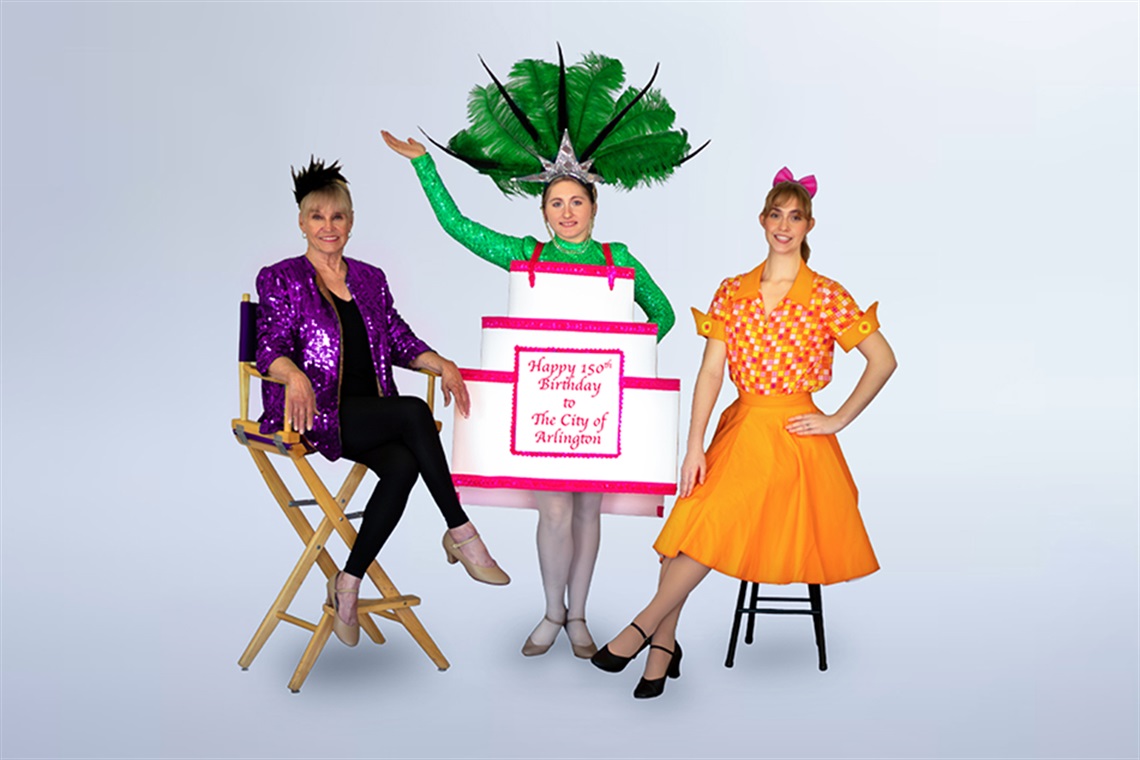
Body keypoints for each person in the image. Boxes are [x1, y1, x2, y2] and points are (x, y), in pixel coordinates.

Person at [590, 167, 898, 698]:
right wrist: (693, 447)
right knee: (687, 525)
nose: (784, 225)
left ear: (809, 225)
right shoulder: (733, 291)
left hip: (792, 443)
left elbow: (883, 360)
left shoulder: (827, 294)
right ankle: (663, 647)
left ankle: (641, 628)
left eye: (795, 217)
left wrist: (836, 419)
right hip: (739, 429)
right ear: (762, 220)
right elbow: (711, 373)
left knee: (711, 522)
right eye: (776, 215)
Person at [256, 157, 509, 648]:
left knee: (402, 465)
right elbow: (269, 346)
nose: (328, 227)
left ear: (351, 222)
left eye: (338, 216)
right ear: (301, 222)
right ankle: (460, 530)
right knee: (414, 414)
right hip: (312, 412)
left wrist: (441, 363)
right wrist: (293, 375)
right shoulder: (282, 278)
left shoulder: (370, 279)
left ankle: (347, 582)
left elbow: (397, 338)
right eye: (317, 217)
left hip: (368, 412)